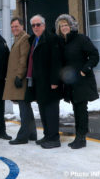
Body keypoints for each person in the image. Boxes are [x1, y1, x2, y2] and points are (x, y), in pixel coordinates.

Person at [55, 14, 99, 149]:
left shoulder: (81, 39)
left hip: (82, 80)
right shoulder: (62, 42)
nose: (64, 28)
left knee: (81, 108)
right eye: (61, 26)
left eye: (66, 25)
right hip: (71, 82)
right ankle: (78, 136)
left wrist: (84, 70)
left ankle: (82, 137)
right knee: (76, 108)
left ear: (71, 26)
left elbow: (94, 55)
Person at [25, 14, 62, 149]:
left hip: (50, 83)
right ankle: (47, 135)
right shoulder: (33, 40)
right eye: (33, 25)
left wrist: (55, 81)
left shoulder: (52, 39)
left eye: (38, 24)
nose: (35, 27)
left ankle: (54, 138)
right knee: (43, 110)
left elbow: (56, 62)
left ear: (44, 25)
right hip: (39, 82)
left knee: (51, 110)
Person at [2, 17, 37, 145]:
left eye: (16, 26)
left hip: (20, 80)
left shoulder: (24, 39)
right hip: (18, 79)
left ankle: (23, 136)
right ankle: (32, 134)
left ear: (22, 26)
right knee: (26, 107)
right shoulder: (18, 39)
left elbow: (24, 59)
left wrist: (19, 76)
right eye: (12, 27)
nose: (14, 29)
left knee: (24, 109)